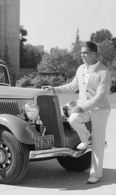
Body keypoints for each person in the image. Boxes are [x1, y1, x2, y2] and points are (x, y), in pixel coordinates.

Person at [45, 41, 111, 184]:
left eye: (85, 52)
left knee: (98, 143)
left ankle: (95, 174)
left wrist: (83, 107)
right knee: (73, 119)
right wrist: (55, 89)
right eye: (81, 52)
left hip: (100, 110)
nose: (82, 55)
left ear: (94, 54)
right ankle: (87, 139)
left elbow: (101, 97)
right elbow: (73, 85)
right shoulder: (81, 69)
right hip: (84, 107)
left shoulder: (103, 72)